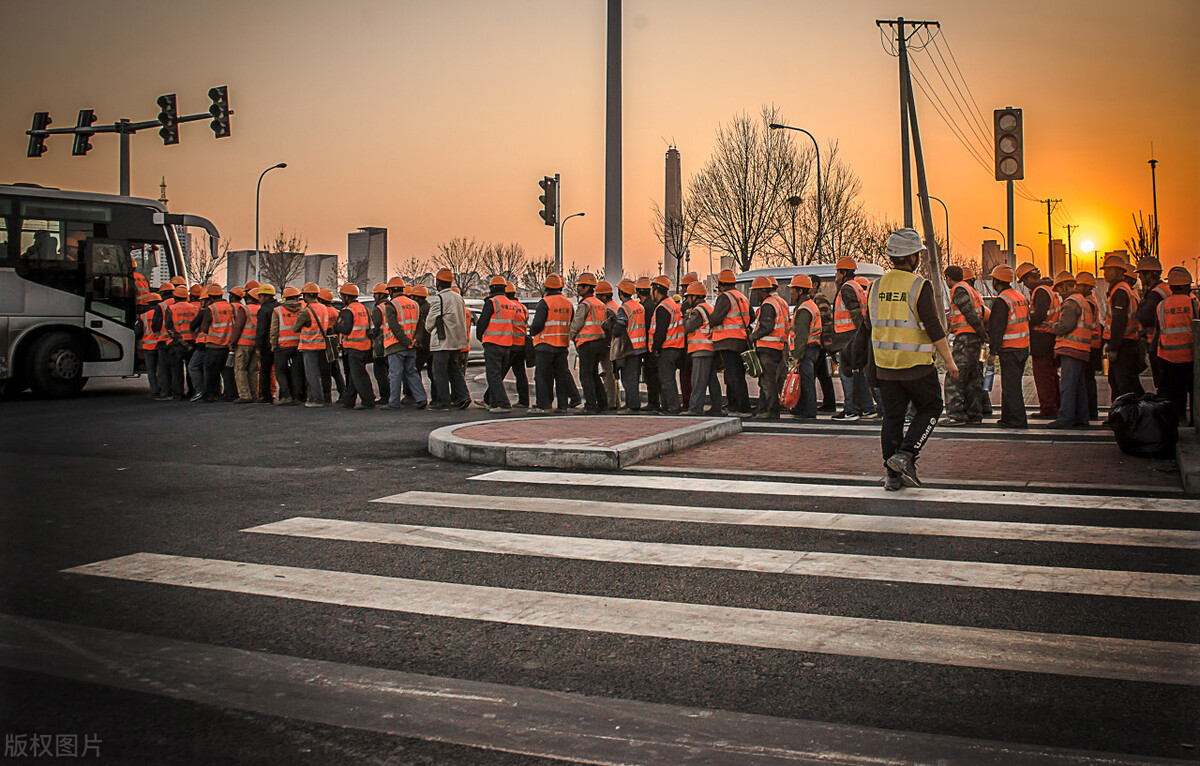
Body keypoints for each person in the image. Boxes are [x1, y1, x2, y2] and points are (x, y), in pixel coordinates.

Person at [860, 228, 958, 490]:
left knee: (892, 417)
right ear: (913, 257)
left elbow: (868, 325)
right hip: (916, 367)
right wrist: (949, 361)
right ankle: (905, 454)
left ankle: (892, 477)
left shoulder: (875, 286)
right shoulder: (919, 286)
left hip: (885, 367)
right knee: (931, 408)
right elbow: (933, 326)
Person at [1047, 271, 1095, 429]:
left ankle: (1065, 418)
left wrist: (1053, 327)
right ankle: (1082, 417)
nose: (1059, 294)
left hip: (1071, 348)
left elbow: (1066, 325)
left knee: (1067, 385)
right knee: (1079, 386)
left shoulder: (1070, 302)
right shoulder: (1082, 301)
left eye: (1060, 290)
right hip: (1082, 349)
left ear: (1065, 286)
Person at [831, 257, 877, 421]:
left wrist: (859, 338)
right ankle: (867, 408)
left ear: (843, 272)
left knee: (846, 374)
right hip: (854, 337)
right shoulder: (857, 286)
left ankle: (850, 410)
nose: (836, 275)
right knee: (859, 375)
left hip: (848, 338)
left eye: (837, 272)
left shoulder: (847, 288)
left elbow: (855, 313)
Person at [942, 265, 988, 425]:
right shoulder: (972, 290)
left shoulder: (958, 289)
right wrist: (982, 334)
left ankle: (955, 415)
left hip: (965, 338)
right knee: (973, 377)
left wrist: (981, 332)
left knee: (955, 376)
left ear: (948, 277)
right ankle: (974, 414)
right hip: (974, 339)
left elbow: (969, 313)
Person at [986, 265, 1030, 429]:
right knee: (1011, 384)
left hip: (1010, 349)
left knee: (1011, 387)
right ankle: (1007, 417)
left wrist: (992, 352)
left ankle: (1018, 420)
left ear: (996, 280)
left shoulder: (1002, 301)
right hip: (1023, 347)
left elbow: (997, 328)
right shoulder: (1019, 296)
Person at [1154, 267, 1198, 421]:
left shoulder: (1162, 306)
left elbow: (1157, 330)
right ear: (1187, 285)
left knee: (1172, 393)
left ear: (1171, 286)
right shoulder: (1193, 303)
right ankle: (1194, 420)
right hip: (1190, 356)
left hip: (1167, 357)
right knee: (1194, 391)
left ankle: (1175, 420)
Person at [1017, 262, 1060, 419]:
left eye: (1025, 281)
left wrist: (1023, 319)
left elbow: (1039, 316)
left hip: (1042, 338)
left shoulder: (1040, 291)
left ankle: (1048, 409)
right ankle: (1057, 405)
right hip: (1051, 337)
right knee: (1051, 375)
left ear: (1030, 278)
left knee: (1043, 376)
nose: (1025, 285)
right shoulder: (1049, 289)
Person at [709, 269, 753, 416]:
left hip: (728, 342)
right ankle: (737, 406)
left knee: (734, 377)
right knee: (739, 375)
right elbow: (751, 316)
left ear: (721, 285)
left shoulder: (725, 297)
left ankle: (742, 408)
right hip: (742, 340)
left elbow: (715, 318)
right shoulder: (742, 297)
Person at [528, 273, 574, 414]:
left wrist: (531, 332)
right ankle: (562, 406)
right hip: (562, 345)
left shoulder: (545, 302)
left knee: (542, 376)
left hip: (545, 344)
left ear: (546, 287)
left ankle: (544, 405)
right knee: (561, 376)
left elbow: (537, 324)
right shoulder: (568, 303)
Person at [425, 269, 471, 410]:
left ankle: (444, 402)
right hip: (456, 342)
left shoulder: (439, 299)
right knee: (454, 370)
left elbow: (429, 324)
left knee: (439, 372)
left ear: (438, 283)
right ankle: (464, 397)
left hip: (442, 342)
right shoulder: (458, 298)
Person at [379, 277, 426, 409]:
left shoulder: (391, 305)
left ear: (391, 291)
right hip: (412, 346)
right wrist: (415, 340)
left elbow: (395, 327)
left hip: (396, 345)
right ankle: (421, 398)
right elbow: (420, 325)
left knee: (395, 374)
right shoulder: (414, 304)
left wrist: (406, 342)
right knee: (412, 372)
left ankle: (393, 403)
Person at [1102, 255, 1145, 399]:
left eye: (1109, 270)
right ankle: (1120, 415)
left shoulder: (1120, 291)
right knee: (1116, 381)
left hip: (1124, 344)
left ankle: (1130, 415)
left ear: (1119, 271)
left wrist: (1114, 347)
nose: (1105, 273)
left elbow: (1119, 321)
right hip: (1126, 343)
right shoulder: (1120, 289)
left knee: (1124, 384)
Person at [748, 276, 790, 419]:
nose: (754, 295)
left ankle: (771, 411)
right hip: (778, 346)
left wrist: (753, 336)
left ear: (762, 290)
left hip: (768, 347)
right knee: (769, 380)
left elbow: (767, 326)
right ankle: (762, 408)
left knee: (767, 382)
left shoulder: (768, 305)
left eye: (755, 291)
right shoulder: (780, 302)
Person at [569, 273, 609, 413]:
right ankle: (603, 403)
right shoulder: (600, 304)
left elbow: (577, 324)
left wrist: (572, 336)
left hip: (587, 344)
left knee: (585, 375)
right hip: (599, 342)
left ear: (587, 287)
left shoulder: (585, 304)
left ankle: (590, 405)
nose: (578, 288)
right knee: (594, 374)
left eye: (580, 286)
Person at [784, 274, 822, 420]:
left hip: (806, 349)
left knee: (806, 381)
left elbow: (801, 335)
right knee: (803, 379)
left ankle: (809, 411)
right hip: (811, 348)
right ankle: (800, 408)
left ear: (800, 291)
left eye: (793, 290)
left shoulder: (804, 309)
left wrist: (797, 356)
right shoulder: (809, 305)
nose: (791, 293)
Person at [333, 283, 376, 409]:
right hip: (365, 346)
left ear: (347, 296)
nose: (341, 298)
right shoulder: (364, 309)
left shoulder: (348, 310)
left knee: (359, 376)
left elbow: (345, 329)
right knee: (354, 375)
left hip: (353, 347)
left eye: (342, 296)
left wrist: (337, 326)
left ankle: (368, 401)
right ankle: (349, 401)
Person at [477, 275, 516, 413]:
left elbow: (482, 323)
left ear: (491, 288)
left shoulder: (492, 302)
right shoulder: (512, 305)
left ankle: (503, 404)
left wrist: (480, 337)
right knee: (498, 375)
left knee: (493, 375)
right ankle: (493, 402)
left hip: (493, 343)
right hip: (507, 344)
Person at [680, 281, 720, 415]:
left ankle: (695, 408)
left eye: (689, 297)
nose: (687, 300)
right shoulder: (708, 307)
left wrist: (686, 316)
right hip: (709, 348)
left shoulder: (698, 311)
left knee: (697, 381)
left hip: (700, 349)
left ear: (695, 297)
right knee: (712, 380)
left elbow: (688, 327)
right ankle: (716, 407)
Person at [648, 275, 685, 414]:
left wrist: (656, 348)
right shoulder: (672, 304)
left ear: (656, 290)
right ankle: (666, 407)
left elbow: (660, 331)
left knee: (666, 379)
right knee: (667, 379)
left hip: (668, 348)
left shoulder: (663, 307)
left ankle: (673, 407)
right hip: (676, 346)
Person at [1134, 256, 1170, 390]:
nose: (1140, 278)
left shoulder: (1155, 294)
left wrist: (1141, 304)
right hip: (1166, 343)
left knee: (1162, 386)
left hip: (1159, 345)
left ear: (1149, 274)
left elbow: (1145, 317)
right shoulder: (1165, 289)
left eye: (1141, 274)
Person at [194, 284, 235, 403]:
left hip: (213, 345)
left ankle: (211, 395)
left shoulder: (210, 309)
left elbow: (205, 327)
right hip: (227, 345)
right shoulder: (231, 307)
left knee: (210, 371)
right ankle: (230, 394)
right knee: (227, 371)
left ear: (210, 297)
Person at [612, 279, 646, 413]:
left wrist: (612, 328)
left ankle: (632, 406)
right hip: (640, 347)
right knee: (634, 378)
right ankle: (632, 403)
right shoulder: (639, 306)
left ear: (621, 293)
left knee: (627, 378)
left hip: (628, 348)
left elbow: (619, 328)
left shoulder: (624, 309)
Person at [294, 283, 331, 407]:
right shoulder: (323, 308)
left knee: (311, 374)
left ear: (307, 296)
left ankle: (317, 399)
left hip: (309, 346)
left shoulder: (306, 311)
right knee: (318, 373)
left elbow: (296, 328)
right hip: (321, 345)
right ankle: (313, 397)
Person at [1074, 272, 1103, 421]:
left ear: (1086, 287)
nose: (1076, 287)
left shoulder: (1087, 303)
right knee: (1088, 379)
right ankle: (1090, 410)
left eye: (1078, 285)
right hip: (1092, 344)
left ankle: (1090, 410)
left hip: (1089, 345)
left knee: (1087, 379)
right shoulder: (1089, 300)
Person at [270, 286, 304, 405]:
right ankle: (296, 397)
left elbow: (274, 330)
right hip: (298, 345)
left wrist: (273, 345)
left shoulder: (278, 310)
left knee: (280, 371)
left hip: (282, 346)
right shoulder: (303, 309)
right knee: (296, 372)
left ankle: (286, 396)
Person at [162, 286, 197, 400]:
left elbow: (169, 327)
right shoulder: (194, 308)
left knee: (177, 369)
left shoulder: (171, 309)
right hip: (192, 342)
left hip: (177, 344)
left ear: (175, 297)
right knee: (191, 368)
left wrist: (180, 340)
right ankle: (192, 391)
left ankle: (178, 393)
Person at [809, 274, 837, 412]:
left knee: (814, 373)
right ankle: (829, 403)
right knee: (823, 375)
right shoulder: (813, 299)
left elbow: (826, 321)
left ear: (814, 284)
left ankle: (811, 404)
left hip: (819, 343)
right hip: (819, 342)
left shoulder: (819, 299)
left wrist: (826, 340)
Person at [229, 285, 260, 403]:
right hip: (256, 344)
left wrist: (232, 341)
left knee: (240, 369)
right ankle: (254, 394)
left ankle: (244, 395)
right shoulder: (260, 309)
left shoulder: (244, 309)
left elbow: (238, 326)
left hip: (243, 344)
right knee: (253, 370)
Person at [595, 281, 621, 410]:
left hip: (609, 347)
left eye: (598, 296)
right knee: (612, 375)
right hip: (614, 346)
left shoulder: (608, 310)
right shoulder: (615, 305)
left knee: (608, 375)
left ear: (604, 296)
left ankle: (610, 403)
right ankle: (615, 402)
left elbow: (608, 330)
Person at [636, 277, 661, 411]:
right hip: (653, 346)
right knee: (654, 376)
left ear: (638, 292)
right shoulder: (653, 305)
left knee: (651, 376)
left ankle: (654, 403)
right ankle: (656, 402)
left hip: (649, 347)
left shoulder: (646, 307)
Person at [504, 282, 529, 408]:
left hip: (511, 344)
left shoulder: (508, 306)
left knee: (499, 373)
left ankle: (489, 398)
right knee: (520, 374)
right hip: (522, 345)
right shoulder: (522, 307)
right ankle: (524, 401)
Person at [318, 288, 345, 402]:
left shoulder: (321, 311)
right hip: (335, 344)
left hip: (324, 345)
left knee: (325, 373)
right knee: (336, 371)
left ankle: (327, 395)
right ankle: (343, 392)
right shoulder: (336, 312)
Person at [136, 293, 164, 399]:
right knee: (161, 369)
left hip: (148, 348)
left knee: (151, 370)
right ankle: (162, 388)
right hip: (160, 345)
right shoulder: (163, 314)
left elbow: (138, 332)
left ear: (148, 304)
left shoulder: (143, 316)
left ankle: (154, 390)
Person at [254, 285, 279, 403]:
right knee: (280, 370)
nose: (259, 298)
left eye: (260, 296)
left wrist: (258, 346)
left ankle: (266, 396)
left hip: (267, 345)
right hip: (279, 344)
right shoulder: (279, 307)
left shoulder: (263, 310)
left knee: (265, 371)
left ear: (266, 296)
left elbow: (261, 330)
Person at [369, 283, 392, 405]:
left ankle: (385, 396)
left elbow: (375, 327)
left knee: (379, 371)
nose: (374, 296)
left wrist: (370, 334)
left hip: (380, 343)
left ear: (381, 294)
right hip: (390, 342)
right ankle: (391, 395)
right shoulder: (390, 305)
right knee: (389, 371)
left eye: (375, 294)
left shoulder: (378, 309)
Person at [186, 285, 208, 400]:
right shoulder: (230, 308)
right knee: (209, 369)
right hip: (218, 344)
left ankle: (199, 391)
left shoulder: (204, 311)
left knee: (192, 366)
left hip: (202, 343)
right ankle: (213, 392)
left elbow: (193, 325)